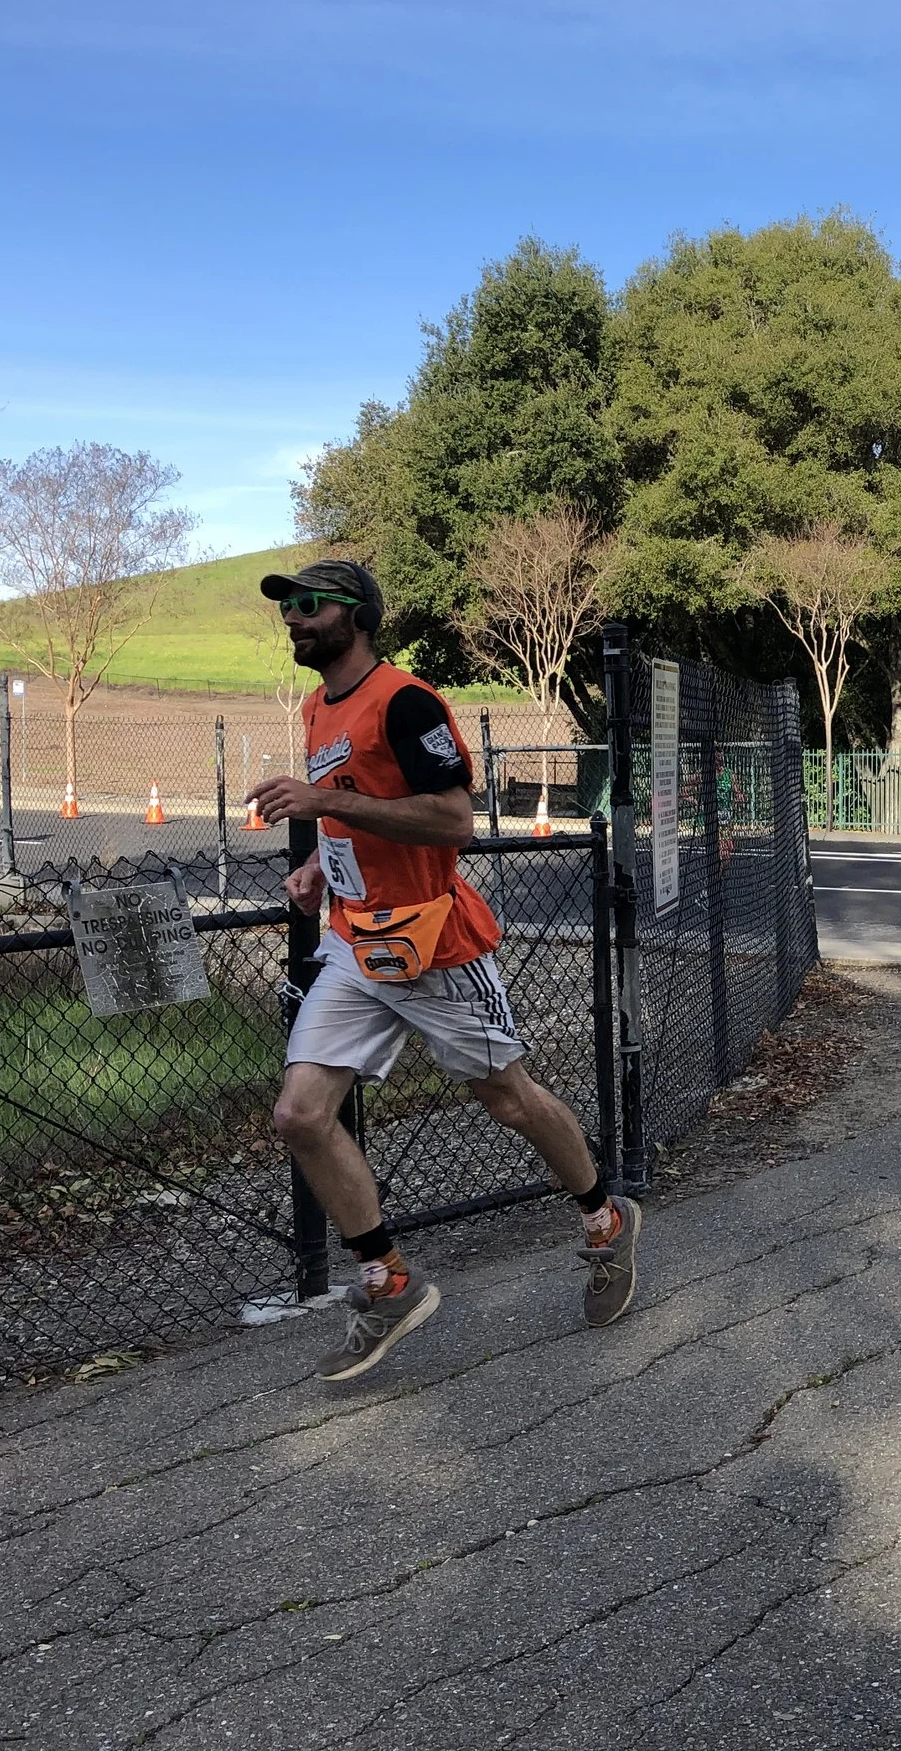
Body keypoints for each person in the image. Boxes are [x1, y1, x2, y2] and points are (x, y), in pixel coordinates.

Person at [242, 558, 637, 1382]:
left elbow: (452, 819)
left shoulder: (407, 701)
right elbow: (350, 803)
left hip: (434, 946)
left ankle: (605, 1220)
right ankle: (387, 1281)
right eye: (289, 609)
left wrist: (326, 809)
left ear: (357, 615)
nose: (295, 620)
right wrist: (320, 861)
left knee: (510, 1099)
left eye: (311, 607)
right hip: (355, 946)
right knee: (301, 1114)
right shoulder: (318, 706)